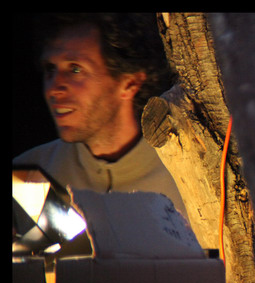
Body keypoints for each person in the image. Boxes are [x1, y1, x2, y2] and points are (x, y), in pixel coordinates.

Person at [13, 13, 188, 219]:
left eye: (75, 69)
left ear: (130, 82)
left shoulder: (186, 179)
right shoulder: (27, 177)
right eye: (50, 69)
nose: (54, 88)